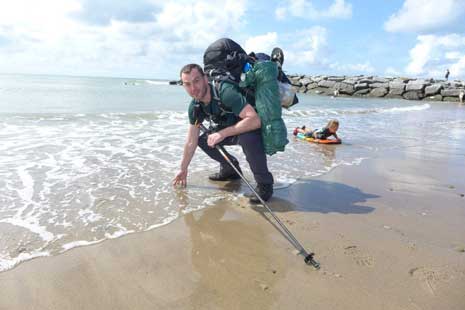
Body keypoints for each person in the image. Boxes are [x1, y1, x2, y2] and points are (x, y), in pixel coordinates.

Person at [172, 64, 274, 203]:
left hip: (248, 126)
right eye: (187, 84)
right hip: (228, 128)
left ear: (205, 79)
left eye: (196, 81)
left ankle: (265, 185)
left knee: (247, 138)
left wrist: (223, 134)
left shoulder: (225, 92)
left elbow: (255, 120)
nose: (193, 88)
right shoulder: (195, 107)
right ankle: (230, 169)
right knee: (203, 140)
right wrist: (183, 169)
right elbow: (191, 141)